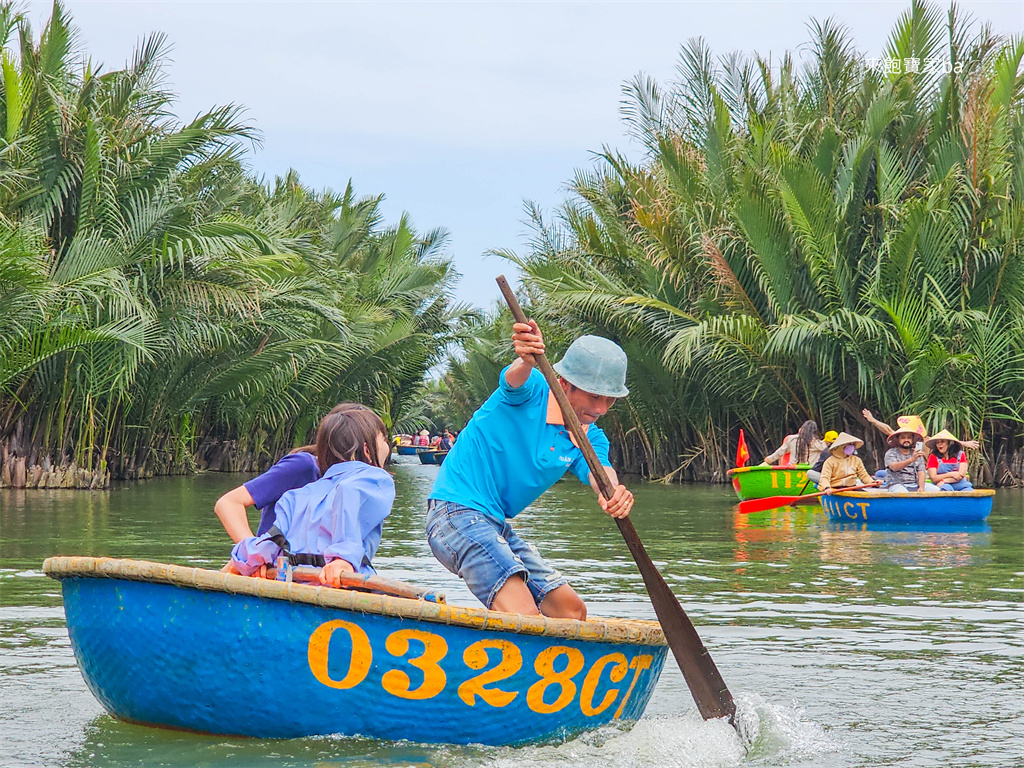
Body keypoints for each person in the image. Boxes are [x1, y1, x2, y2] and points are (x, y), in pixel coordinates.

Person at [426, 322, 634, 620]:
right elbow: (513, 379)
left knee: (571, 611)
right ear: (564, 384)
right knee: (524, 613)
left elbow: (600, 474)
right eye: (593, 396)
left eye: (609, 399)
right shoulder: (533, 389)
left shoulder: (589, 437)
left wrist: (614, 495)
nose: (601, 408)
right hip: (454, 513)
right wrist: (525, 358)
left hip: (493, 525)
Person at [229, 405, 395, 587]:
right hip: (342, 586)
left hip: (294, 585)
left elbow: (272, 541)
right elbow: (349, 493)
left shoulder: (295, 496)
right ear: (367, 451)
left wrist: (248, 559)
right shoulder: (377, 479)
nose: (388, 445)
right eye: (384, 439)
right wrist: (343, 558)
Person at [214, 402, 362, 543]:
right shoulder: (304, 466)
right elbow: (229, 503)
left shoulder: (356, 483)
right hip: (275, 564)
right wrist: (251, 552)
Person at [881, 415, 937, 493]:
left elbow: (921, 471)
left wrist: (921, 487)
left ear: (913, 440)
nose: (906, 440)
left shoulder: (917, 453)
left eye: (909, 438)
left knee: (936, 490)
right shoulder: (891, 452)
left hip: (914, 484)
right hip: (896, 484)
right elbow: (894, 467)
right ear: (898, 439)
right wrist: (911, 460)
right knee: (903, 493)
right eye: (903, 438)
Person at [761, 420, 826, 466]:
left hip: (793, 470)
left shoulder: (791, 439)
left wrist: (769, 459)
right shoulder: (816, 442)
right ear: (815, 431)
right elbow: (829, 451)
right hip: (809, 471)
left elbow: (780, 452)